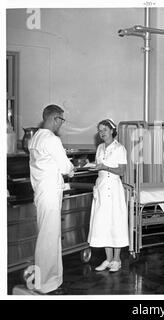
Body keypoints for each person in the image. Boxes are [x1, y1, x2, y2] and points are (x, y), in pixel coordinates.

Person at [29, 104, 75, 294]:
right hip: (49, 194)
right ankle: (45, 283)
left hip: (40, 193)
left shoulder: (35, 138)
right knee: (49, 239)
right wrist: (71, 169)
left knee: (48, 237)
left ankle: (52, 280)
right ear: (54, 118)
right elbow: (65, 167)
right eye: (61, 120)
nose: (61, 124)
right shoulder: (51, 139)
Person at [88, 119, 129, 272]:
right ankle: (108, 258)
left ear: (112, 130)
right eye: (100, 130)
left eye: (105, 129)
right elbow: (99, 167)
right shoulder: (99, 148)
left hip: (114, 189)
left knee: (115, 222)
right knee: (103, 222)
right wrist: (94, 167)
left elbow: (122, 171)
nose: (102, 133)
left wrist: (105, 166)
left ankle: (117, 259)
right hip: (101, 187)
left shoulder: (120, 148)